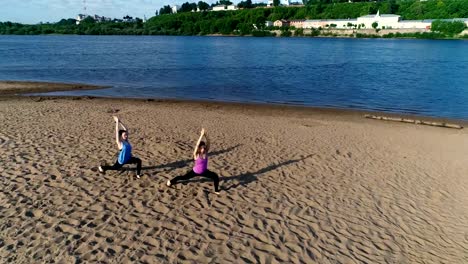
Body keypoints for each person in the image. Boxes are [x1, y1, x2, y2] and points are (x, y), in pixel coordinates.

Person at [167, 128, 220, 194]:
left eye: (204, 147)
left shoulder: (206, 153)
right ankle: (171, 181)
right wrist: (201, 135)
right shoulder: (196, 155)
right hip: (195, 172)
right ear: (199, 149)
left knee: (215, 176)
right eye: (201, 148)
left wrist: (205, 135)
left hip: (204, 172)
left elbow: (208, 142)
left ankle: (216, 190)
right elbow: (197, 145)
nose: (203, 149)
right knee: (183, 177)